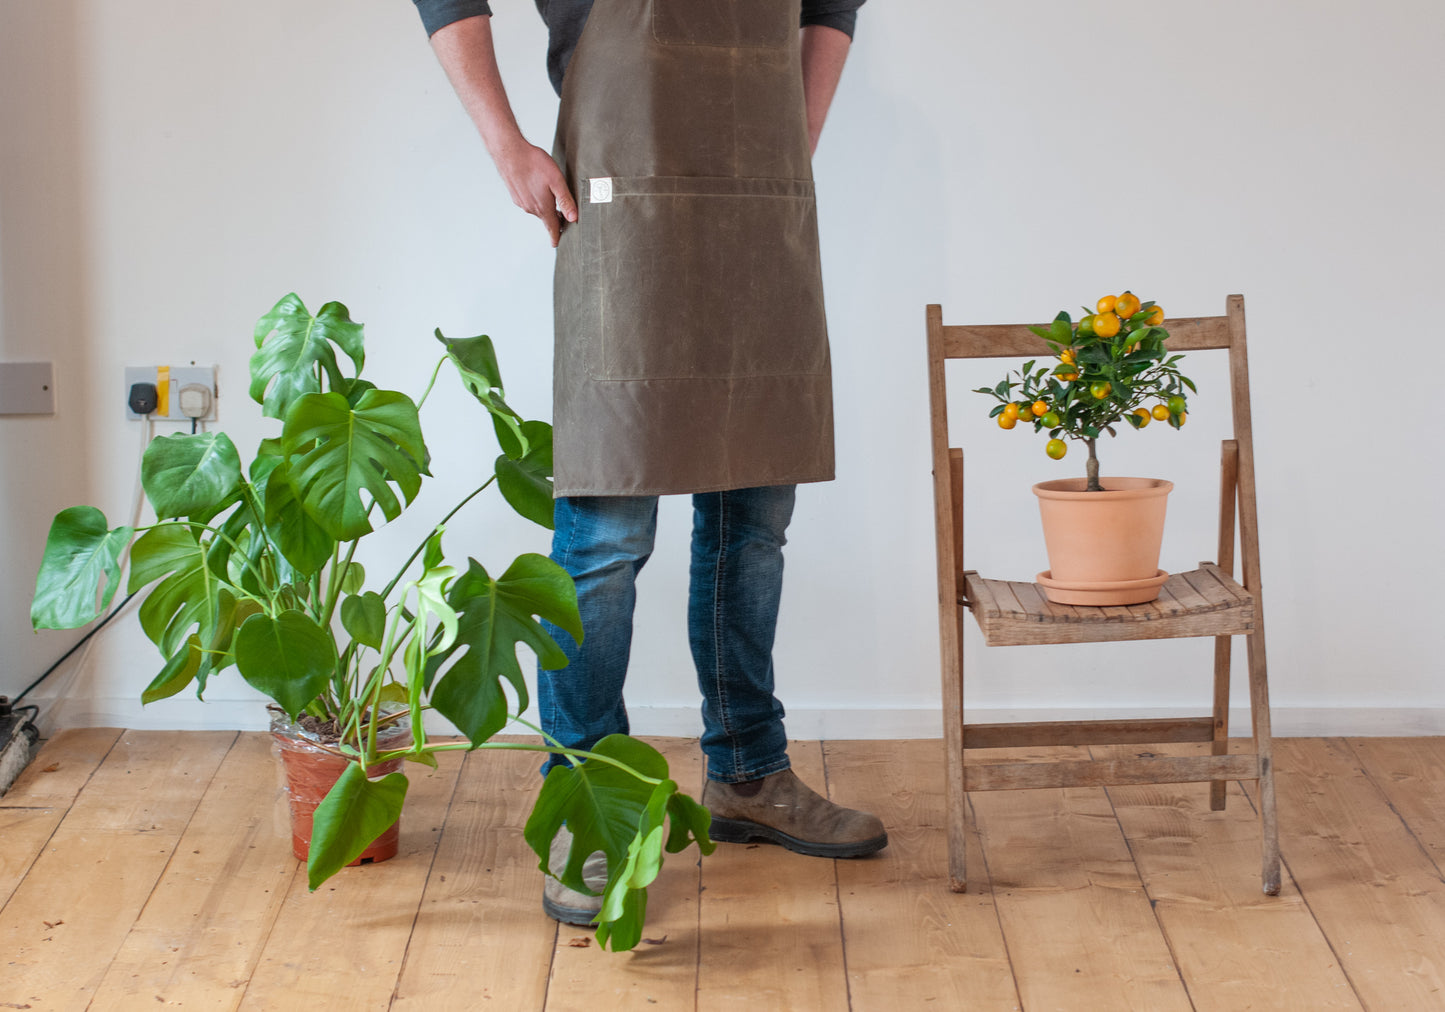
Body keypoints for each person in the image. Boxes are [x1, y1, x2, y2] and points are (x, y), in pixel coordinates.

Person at [414, 0, 884, 925]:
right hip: (620, 203)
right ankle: (585, 801)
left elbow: (832, 4)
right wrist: (508, 145)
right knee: (605, 532)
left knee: (754, 522)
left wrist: (794, 140)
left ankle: (748, 774)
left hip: (758, 210)